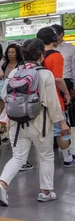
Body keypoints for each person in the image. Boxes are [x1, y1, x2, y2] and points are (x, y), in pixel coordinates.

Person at [0, 38, 70, 206]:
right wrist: (62, 123)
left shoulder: (15, 72)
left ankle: (2, 184)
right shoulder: (45, 74)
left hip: (16, 124)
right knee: (46, 156)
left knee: (18, 157)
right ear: (41, 55)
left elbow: (5, 97)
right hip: (40, 124)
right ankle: (45, 192)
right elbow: (52, 102)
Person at [37, 27, 75, 166]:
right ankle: (67, 157)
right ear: (54, 39)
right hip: (54, 98)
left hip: (37, 99)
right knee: (62, 128)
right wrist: (66, 93)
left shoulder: (35, 55)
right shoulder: (56, 56)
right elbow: (58, 79)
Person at [53, 24, 75, 91]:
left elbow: (74, 68)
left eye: (53, 34)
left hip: (66, 82)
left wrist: (74, 87)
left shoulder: (71, 48)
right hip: (50, 82)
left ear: (61, 34)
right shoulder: (47, 48)